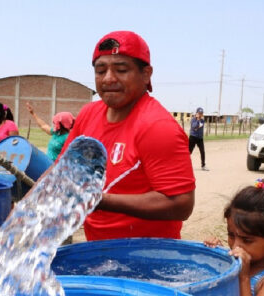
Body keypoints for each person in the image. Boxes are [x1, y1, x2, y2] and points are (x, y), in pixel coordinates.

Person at [58, 30, 195, 241]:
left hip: (148, 258)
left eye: (121, 69)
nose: (109, 78)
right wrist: (22, 210)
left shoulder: (157, 127)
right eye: (100, 70)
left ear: (146, 74)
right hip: (97, 252)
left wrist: (99, 200)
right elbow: (60, 171)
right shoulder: (88, 115)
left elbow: (181, 204)